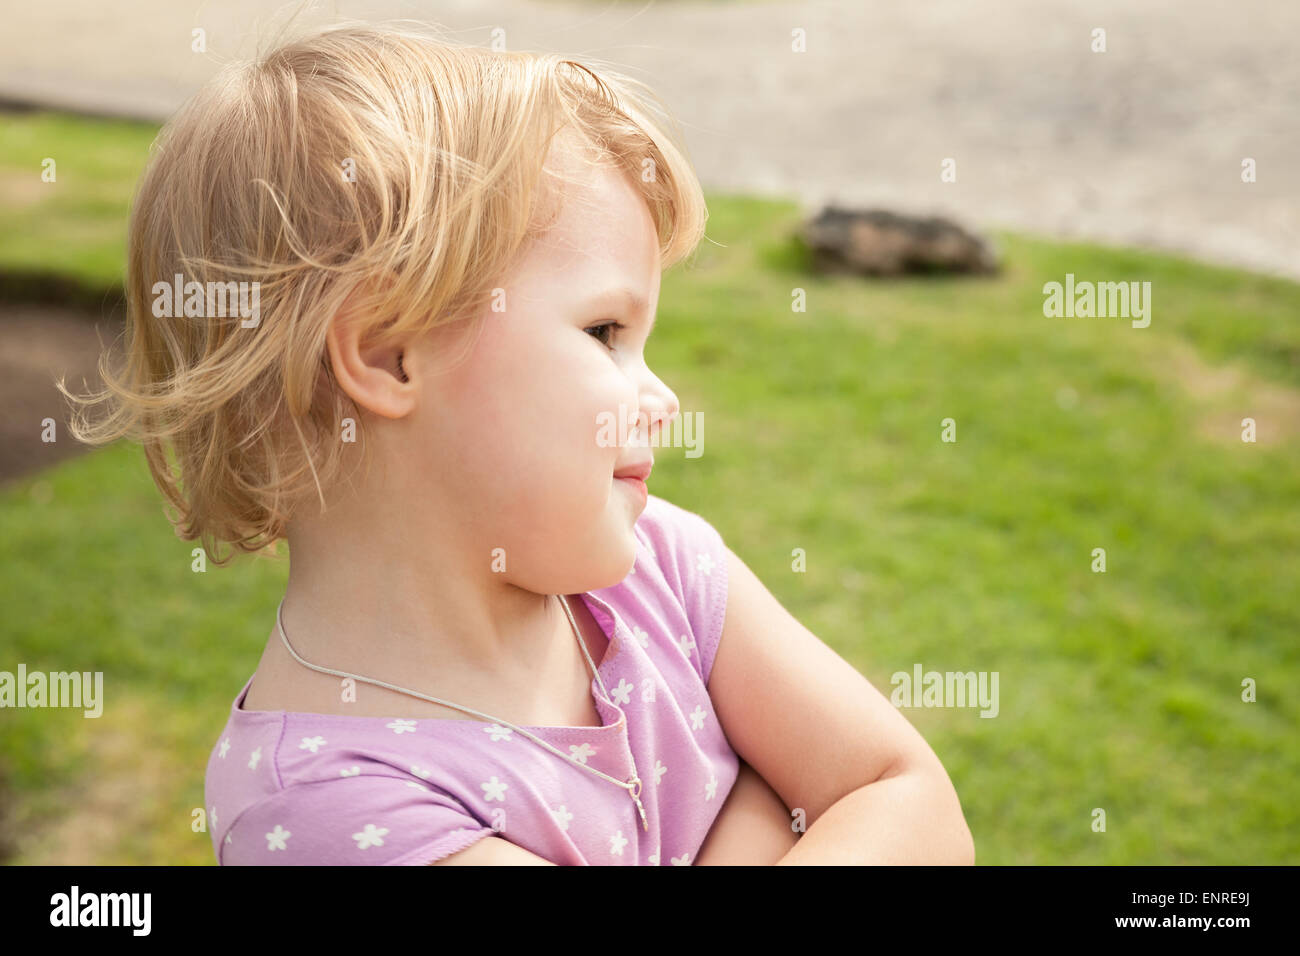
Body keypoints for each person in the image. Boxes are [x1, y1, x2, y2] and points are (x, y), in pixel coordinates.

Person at [64, 21, 972, 866]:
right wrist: (763, 804)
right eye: (607, 333)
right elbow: (860, 807)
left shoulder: (663, 575)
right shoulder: (330, 809)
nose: (662, 398)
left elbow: (912, 800)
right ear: (388, 353)